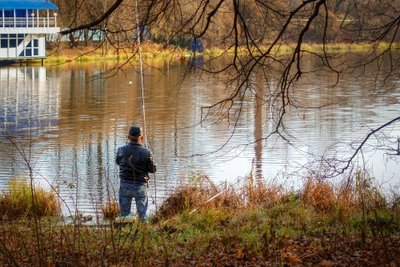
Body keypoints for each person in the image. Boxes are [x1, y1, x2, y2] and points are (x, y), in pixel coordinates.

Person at [115, 125, 156, 222]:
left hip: (125, 185)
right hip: (140, 186)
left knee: (124, 216)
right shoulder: (146, 152)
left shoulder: (121, 150)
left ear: (128, 137)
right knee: (142, 216)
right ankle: (143, 231)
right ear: (141, 138)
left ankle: (125, 231)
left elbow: (118, 162)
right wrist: (150, 157)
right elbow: (152, 170)